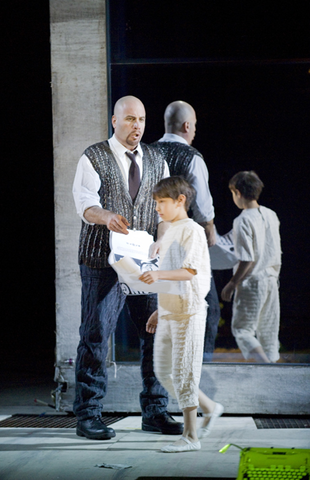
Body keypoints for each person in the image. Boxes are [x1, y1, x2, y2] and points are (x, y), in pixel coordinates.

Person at [72, 95, 183, 440]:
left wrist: (162, 242)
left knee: (157, 334)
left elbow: (165, 212)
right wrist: (106, 217)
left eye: (142, 120)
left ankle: (155, 412)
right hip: (101, 262)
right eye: (131, 119)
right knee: (95, 337)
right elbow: (86, 204)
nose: (137, 126)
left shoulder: (156, 159)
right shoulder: (93, 157)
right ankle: (88, 416)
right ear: (114, 121)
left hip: (144, 263)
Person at [140, 177, 224, 453]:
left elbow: (189, 272)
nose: (157, 208)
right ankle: (210, 408)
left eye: (162, 202)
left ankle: (191, 436)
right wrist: (158, 310)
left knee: (184, 373)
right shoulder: (172, 230)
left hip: (188, 312)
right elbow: (171, 278)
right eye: (156, 203)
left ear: (180, 200)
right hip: (169, 311)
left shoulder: (193, 231)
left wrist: (157, 274)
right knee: (164, 372)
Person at [152, 101, 220, 362]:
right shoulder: (192, 157)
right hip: (183, 245)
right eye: (194, 127)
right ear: (187, 126)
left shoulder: (147, 153)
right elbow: (202, 206)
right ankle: (199, 375)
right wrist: (210, 231)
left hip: (151, 243)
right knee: (206, 309)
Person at [221, 171, 282, 363]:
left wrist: (232, 283)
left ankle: (265, 369)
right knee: (268, 332)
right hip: (272, 279)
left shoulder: (243, 220)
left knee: (242, 330)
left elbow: (247, 258)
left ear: (237, 193)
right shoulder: (271, 214)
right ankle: (273, 374)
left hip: (252, 281)